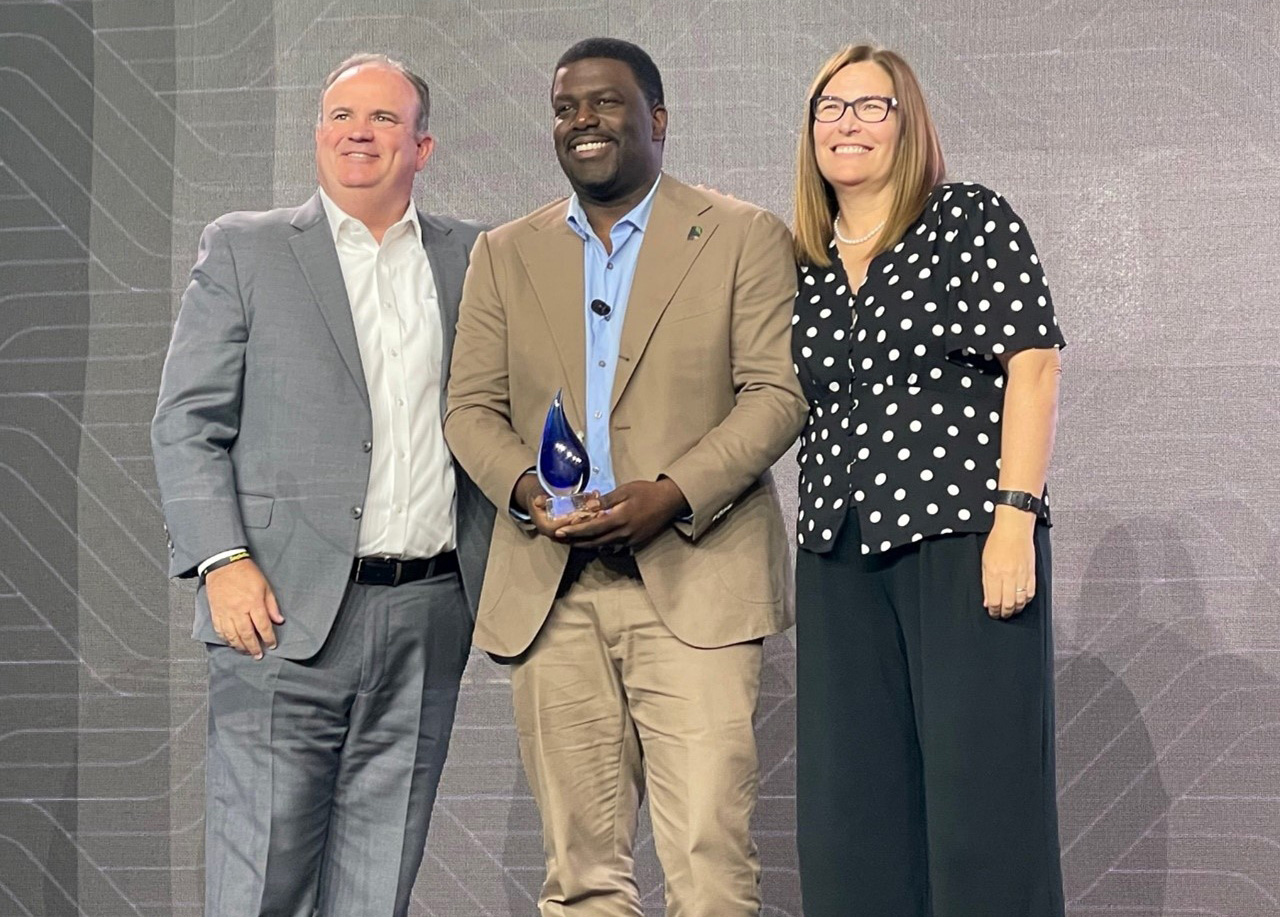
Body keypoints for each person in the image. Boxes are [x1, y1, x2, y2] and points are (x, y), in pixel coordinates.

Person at [444, 37, 806, 917]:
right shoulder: (505, 251)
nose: (582, 122)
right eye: (566, 108)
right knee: (580, 877)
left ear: (658, 119)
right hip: (553, 587)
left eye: (604, 103)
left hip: (697, 580)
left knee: (708, 862)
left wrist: (672, 493)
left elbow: (778, 393)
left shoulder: (742, 235)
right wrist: (531, 495)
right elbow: (469, 411)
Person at [151, 54, 492, 917]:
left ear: (423, 145)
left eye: (381, 118)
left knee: (380, 889)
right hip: (277, 610)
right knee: (259, 879)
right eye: (340, 115)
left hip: (427, 610)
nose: (357, 132)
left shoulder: (477, 258)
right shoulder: (246, 247)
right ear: (318, 136)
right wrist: (222, 559)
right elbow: (186, 422)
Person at [789, 45, 1067, 917]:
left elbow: (1034, 365)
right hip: (837, 552)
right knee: (850, 812)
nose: (848, 123)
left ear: (908, 124)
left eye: (872, 106)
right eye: (830, 108)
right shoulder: (799, 257)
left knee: (981, 804)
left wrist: (1013, 522)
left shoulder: (965, 218)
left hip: (963, 540)